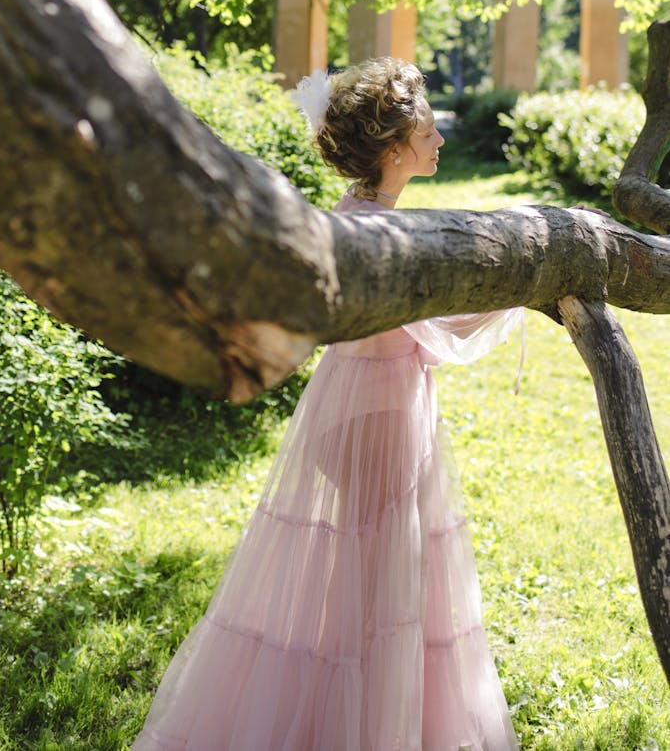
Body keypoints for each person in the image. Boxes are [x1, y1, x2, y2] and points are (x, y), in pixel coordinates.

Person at [132, 57, 521, 751]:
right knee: (389, 609)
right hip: (374, 430)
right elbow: (439, 327)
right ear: (396, 147)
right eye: (428, 127)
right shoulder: (373, 231)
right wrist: (522, 284)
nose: (438, 137)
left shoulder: (366, 215)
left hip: (365, 418)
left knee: (374, 601)